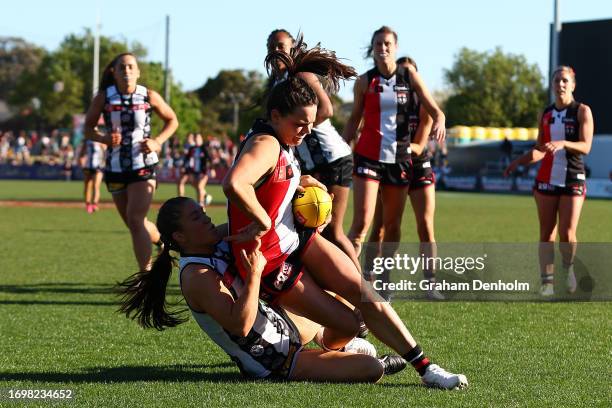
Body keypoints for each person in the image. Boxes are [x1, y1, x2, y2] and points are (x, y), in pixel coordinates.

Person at [222, 37, 468, 389]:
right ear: (275, 116)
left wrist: (301, 182)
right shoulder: (267, 142)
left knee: (367, 295)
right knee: (350, 324)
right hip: (272, 260)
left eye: (310, 126)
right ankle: (332, 349)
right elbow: (235, 183)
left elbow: (270, 180)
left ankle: (427, 368)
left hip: (295, 239)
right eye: (300, 125)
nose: (306, 132)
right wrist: (262, 220)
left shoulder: (282, 137)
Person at [118, 197, 407, 382]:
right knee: (372, 370)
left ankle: (338, 346)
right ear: (180, 236)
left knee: (344, 302)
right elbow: (240, 325)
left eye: (202, 212)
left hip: (285, 325)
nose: (206, 218)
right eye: (196, 218)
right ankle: (355, 356)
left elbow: (260, 221)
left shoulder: (214, 240)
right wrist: (255, 273)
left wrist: (308, 205)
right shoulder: (196, 275)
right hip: (275, 360)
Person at [343, 27, 446, 264]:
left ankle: (384, 278)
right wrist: (340, 148)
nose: (383, 48)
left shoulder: (409, 76)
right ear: (373, 48)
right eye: (378, 44)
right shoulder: (364, 81)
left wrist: (439, 120)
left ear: (395, 47)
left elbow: (435, 110)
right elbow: (353, 120)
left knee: (392, 227)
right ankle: (347, 283)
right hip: (368, 158)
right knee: (360, 224)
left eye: (387, 43)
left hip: (399, 160)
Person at [266, 30, 359, 269]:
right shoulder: (275, 84)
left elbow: (326, 110)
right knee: (313, 232)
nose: (276, 50)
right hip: (310, 164)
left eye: (281, 46)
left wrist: (295, 127)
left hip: (332, 158)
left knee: (332, 231)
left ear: (292, 48)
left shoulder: (303, 76)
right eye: (271, 46)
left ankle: (364, 290)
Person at [84, 52, 179, 271]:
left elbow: (172, 120)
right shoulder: (104, 97)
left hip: (142, 164)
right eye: (122, 67)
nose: (126, 70)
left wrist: (157, 141)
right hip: (115, 167)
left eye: (130, 67)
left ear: (137, 72)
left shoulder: (148, 95)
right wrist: (104, 138)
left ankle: (145, 276)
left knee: (136, 220)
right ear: (113, 72)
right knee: (135, 223)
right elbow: (88, 128)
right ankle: (161, 241)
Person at [504, 66, 593, 296]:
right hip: (546, 179)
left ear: (573, 85)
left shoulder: (582, 111)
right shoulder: (546, 114)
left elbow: (586, 146)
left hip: (573, 177)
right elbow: (541, 149)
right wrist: (518, 162)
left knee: (568, 233)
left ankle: (569, 268)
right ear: (552, 85)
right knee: (546, 233)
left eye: (565, 81)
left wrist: (563, 142)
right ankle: (547, 282)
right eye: (556, 81)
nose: (560, 85)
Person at [365, 56, 444, 300]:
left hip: (417, 166)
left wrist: (396, 149)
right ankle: (372, 278)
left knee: (425, 227)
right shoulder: (387, 102)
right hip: (388, 165)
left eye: (410, 74)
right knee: (380, 227)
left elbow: (420, 145)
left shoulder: (424, 105)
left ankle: (430, 283)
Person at [182, 133, 214, 208]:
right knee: (195, 186)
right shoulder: (192, 148)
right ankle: (206, 196)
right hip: (194, 171)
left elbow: (210, 159)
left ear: (201, 139)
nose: (197, 140)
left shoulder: (204, 148)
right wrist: (183, 166)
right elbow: (187, 158)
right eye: (195, 138)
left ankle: (201, 204)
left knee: (200, 187)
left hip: (203, 172)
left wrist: (212, 169)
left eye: (198, 138)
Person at [78, 138, 106, 213]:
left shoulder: (101, 139)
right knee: (87, 185)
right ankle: (88, 204)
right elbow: (82, 152)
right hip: (88, 166)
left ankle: (95, 204)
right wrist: (81, 160)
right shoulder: (87, 140)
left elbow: (106, 151)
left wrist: (104, 162)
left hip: (98, 166)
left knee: (96, 186)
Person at [177, 132, 195, 198]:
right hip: (187, 166)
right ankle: (180, 198)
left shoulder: (193, 146)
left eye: (190, 137)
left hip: (190, 167)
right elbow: (184, 157)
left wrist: (184, 166)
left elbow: (190, 157)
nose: (188, 138)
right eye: (188, 137)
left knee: (182, 182)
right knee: (183, 182)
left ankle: (180, 199)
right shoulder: (186, 145)